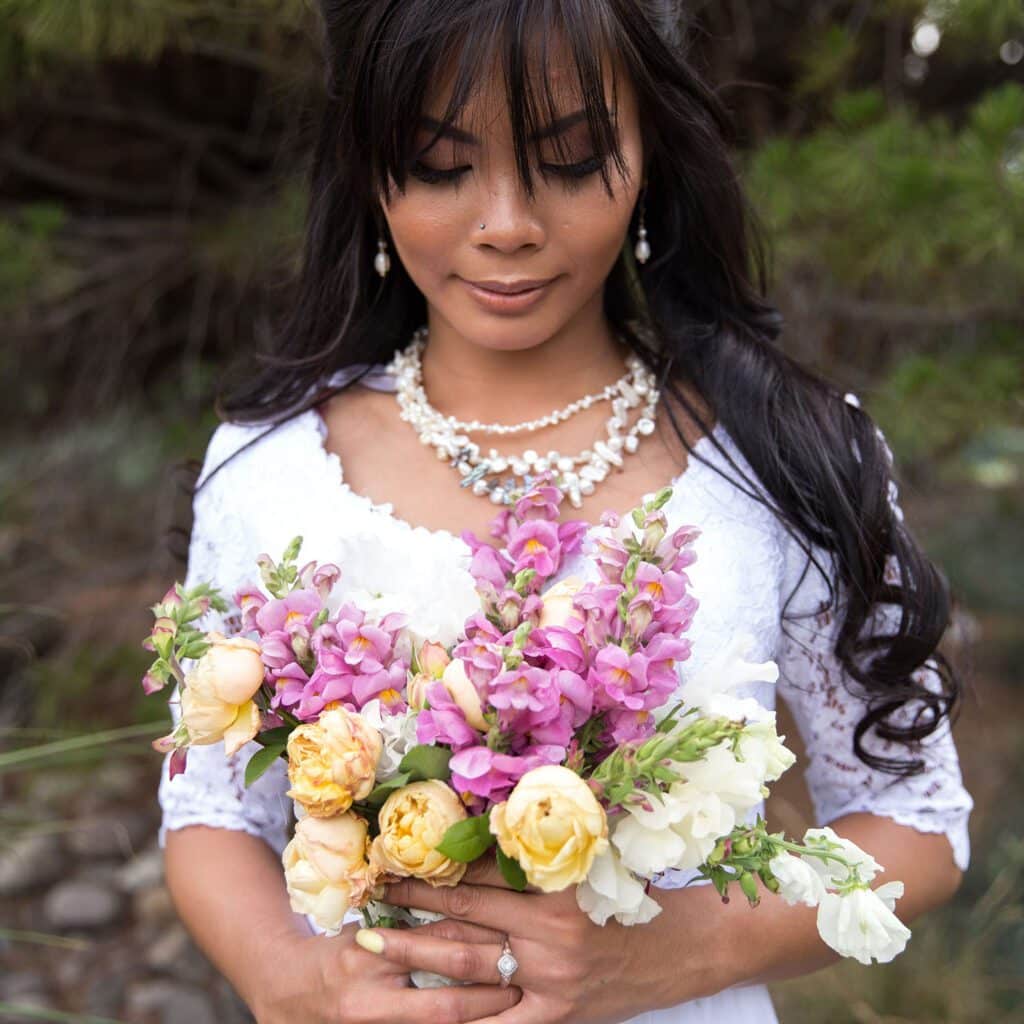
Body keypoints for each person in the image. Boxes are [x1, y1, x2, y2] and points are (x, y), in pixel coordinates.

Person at [158, 2, 973, 1022]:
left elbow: (916, 820)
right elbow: (208, 813)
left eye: (572, 158)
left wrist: (692, 948)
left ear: (649, 160)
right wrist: (287, 978)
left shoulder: (787, 457)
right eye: (442, 164)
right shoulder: (268, 469)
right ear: (370, 169)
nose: (506, 223)